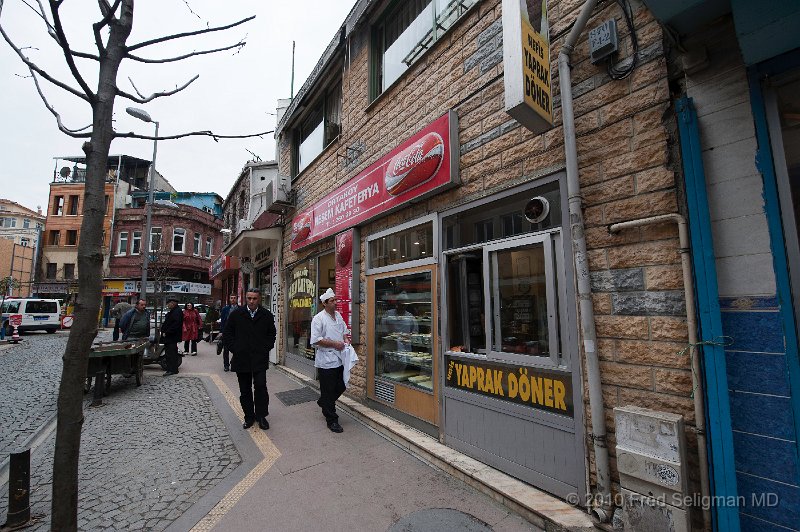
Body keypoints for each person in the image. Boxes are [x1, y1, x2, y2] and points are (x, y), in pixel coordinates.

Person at [223, 289, 276, 431]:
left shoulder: (266, 315)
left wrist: (266, 348)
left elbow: (272, 334)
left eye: (254, 298)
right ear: (246, 298)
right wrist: (236, 348)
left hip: (259, 358)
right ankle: (249, 416)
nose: (251, 301)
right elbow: (228, 333)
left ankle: (261, 416)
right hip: (242, 359)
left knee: (260, 387)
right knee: (245, 389)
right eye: (249, 298)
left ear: (259, 299)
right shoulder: (236, 315)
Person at [310, 288, 347, 433]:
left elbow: (344, 331)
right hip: (326, 360)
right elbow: (315, 340)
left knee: (342, 385)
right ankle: (332, 420)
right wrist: (334, 344)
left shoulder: (338, 316)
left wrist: (345, 339)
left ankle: (324, 401)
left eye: (335, 300)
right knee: (329, 388)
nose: (335, 303)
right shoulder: (318, 318)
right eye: (332, 301)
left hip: (339, 358)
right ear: (325, 303)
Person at [161, 297, 183, 376]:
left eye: (168, 303)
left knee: (171, 354)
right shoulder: (174, 311)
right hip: (171, 336)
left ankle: (171, 369)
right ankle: (173, 369)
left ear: (173, 303)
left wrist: (167, 332)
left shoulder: (177, 312)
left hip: (171, 337)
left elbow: (175, 325)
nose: (168, 305)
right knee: (170, 353)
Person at [218, 294, 238, 371]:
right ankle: (226, 365)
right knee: (226, 349)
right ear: (229, 299)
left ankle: (233, 362)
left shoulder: (240, 309)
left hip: (237, 332)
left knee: (237, 349)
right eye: (231, 298)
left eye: (234, 298)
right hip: (227, 332)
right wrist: (221, 331)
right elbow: (222, 321)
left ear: (236, 299)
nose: (233, 299)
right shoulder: (225, 309)